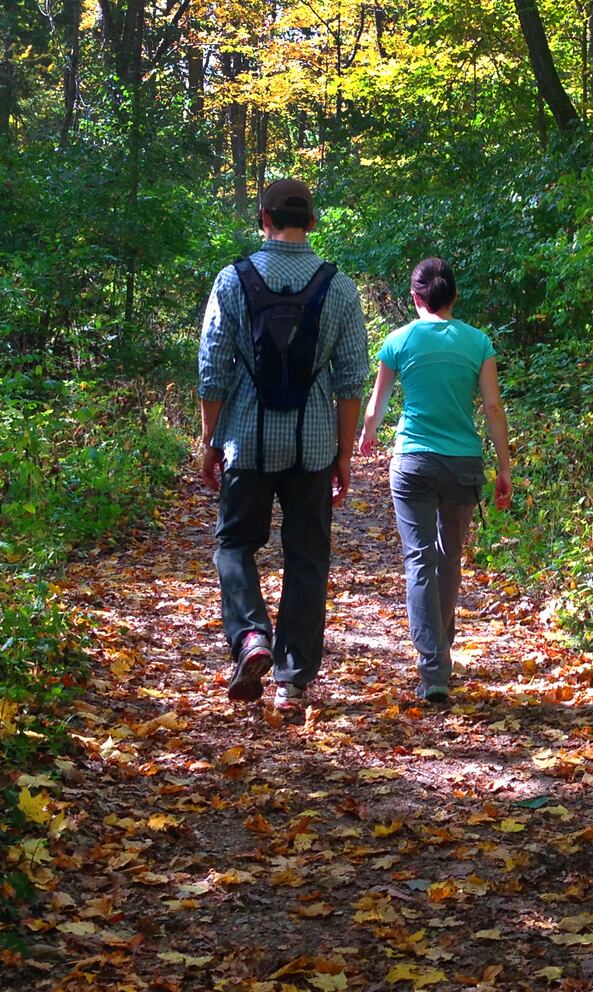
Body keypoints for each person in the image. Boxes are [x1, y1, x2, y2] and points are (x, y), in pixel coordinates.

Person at [198, 179, 368, 711]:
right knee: (308, 558)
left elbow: (211, 370)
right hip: (313, 448)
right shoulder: (338, 287)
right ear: (311, 223)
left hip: (246, 443)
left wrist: (209, 440)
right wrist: (343, 452)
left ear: (263, 219)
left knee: (234, 544)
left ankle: (250, 636)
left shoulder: (233, 280)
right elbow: (351, 379)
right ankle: (292, 681)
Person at [358, 257, 513, 703]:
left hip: (413, 463)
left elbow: (377, 403)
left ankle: (434, 669)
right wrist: (504, 467)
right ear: (454, 297)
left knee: (419, 560)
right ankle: (439, 659)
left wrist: (367, 437)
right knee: (449, 559)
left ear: (415, 297)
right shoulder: (478, 342)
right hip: (463, 463)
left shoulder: (398, 340)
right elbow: (493, 408)